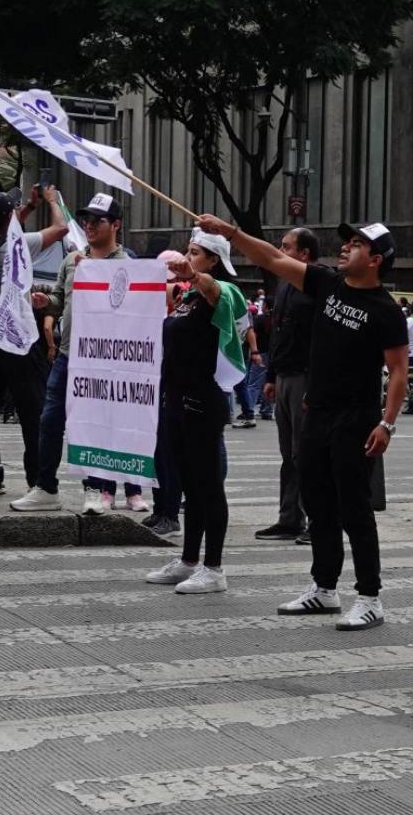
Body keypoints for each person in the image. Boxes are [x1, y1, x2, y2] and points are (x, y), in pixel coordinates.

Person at [199, 214, 408, 631]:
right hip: (318, 414)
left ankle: (370, 597)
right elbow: (275, 260)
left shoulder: (385, 310)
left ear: (377, 260)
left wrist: (386, 424)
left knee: (355, 510)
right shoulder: (327, 284)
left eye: (358, 245)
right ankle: (324, 588)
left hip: (356, 420)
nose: (347, 248)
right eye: (348, 242)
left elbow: (399, 371)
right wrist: (232, 233)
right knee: (318, 503)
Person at [142, 230, 246, 593]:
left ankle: (214, 569)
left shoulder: (222, 293)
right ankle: (188, 561)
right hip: (176, 399)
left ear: (213, 260)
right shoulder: (185, 297)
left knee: (208, 487)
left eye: (196, 252)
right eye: (187, 251)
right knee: (189, 486)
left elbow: (217, 293)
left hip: (203, 401)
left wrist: (194, 275)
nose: (187, 257)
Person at [35, 193, 145, 514]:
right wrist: (46, 303)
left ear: (116, 225)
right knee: (50, 420)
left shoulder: (127, 265)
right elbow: (59, 298)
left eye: (97, 220)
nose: (90, 226)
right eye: (87, 220)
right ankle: (45, 487)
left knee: (99, 427)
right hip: (69, 354)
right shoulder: (71, 260)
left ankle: (96, 491)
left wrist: (95, 272)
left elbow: (131, 309)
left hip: (105, 361)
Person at [0, 186, 70, 506]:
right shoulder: (22, 243)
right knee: (31, 409)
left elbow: (4, 226)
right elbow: (62, 228)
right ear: (10, 216)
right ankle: (36, 477)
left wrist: (23, 210)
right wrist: (51, 203)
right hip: (16, 339)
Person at [253, 227, 319, 543]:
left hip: (306, 378)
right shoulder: (284, 286)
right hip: (284, 377)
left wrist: (315, 386)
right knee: (288, 454)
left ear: (304, 254)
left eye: (287, 246)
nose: (281, 251)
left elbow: (321, 341)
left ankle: (316, 521)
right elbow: (279, 333)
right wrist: (270, 376)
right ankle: (289, 518)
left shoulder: (318, 286)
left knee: (305, 454)